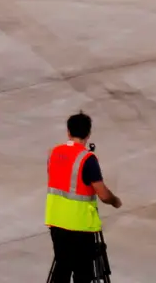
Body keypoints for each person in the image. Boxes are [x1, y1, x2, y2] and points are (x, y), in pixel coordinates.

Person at [45, 111, 121, 283]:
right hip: (80, 226)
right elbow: (102, 194)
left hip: (56, 222)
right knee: (83, 273)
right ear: (88, 134)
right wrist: (115, 201)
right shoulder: (87, 159)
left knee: (62, 268)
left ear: (68, 132)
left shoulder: (53, 153)